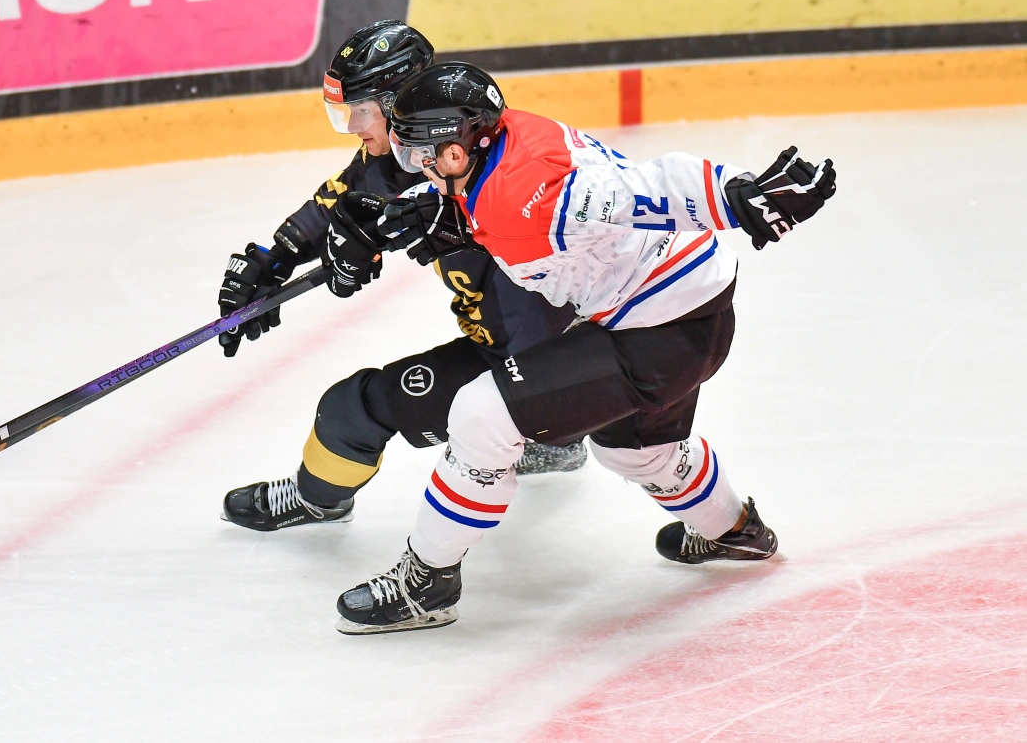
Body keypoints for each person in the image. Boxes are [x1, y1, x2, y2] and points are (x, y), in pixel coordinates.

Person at [328, 62, 836, 633]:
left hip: (659, 328)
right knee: (634, 451)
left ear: (452, 151)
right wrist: (434, 213)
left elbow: (650, 187)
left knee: (481, 414)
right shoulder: (504, 136)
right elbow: (506, 206)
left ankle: (427, 583)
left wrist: (738, 195)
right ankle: (736, 533)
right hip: (688, 304)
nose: (412, 165)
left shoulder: (539, 196)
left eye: (418, 155)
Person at [216, 24, 588, 533]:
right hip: (533, 347)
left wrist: (386, 230)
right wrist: (274, 258)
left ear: (395, 104)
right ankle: (556, 440)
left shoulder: (478, 166)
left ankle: (318, 499)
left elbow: (450, 210)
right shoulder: (422, 147)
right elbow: (346, 198)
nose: (352, 127)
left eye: (360, 111)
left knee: (352, 411)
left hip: (552, 364)